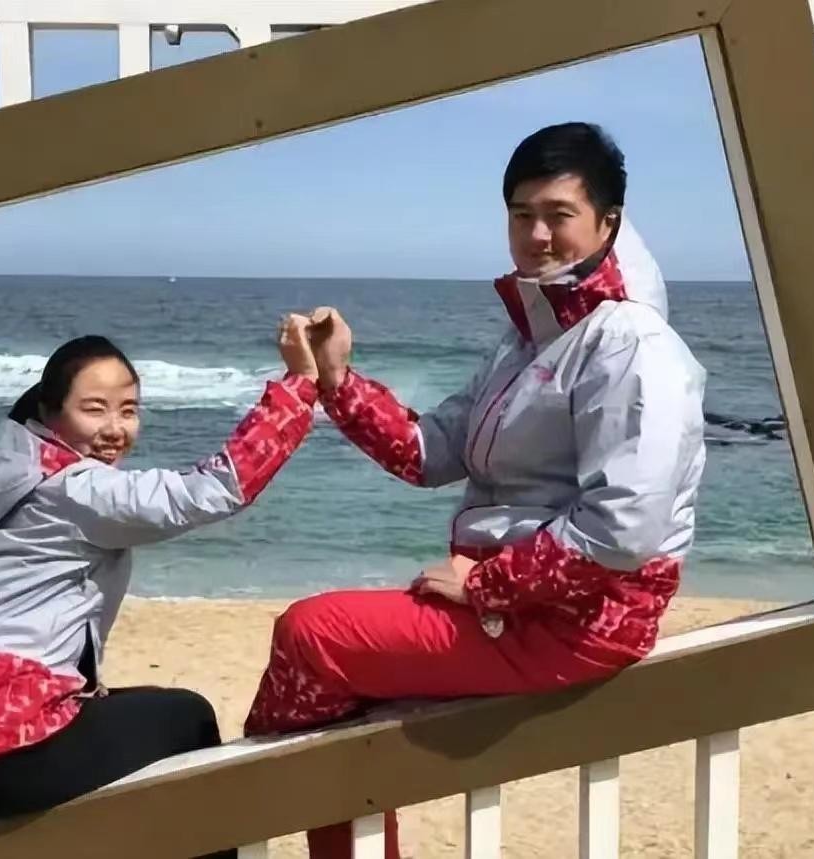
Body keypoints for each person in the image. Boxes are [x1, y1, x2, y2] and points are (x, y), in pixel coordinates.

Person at [242, 123, 707, 859]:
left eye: (558, 214)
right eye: (522, 215)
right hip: (526, 605)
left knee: (314, 635)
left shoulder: (630, 343)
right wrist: (337, 379)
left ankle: (235, 817)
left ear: (609, 222)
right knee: (338, 685)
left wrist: (489, 585)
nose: (537, 235)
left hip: (578, 619)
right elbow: (431, 451)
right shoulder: (531, 339)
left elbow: (622, 529)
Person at [0, 321, 320, 853]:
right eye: (94, 409)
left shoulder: (14, 468)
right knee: (189, 719)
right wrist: (300, 383)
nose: (115, 428)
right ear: (49, 412)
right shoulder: (74, 489)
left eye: (128, 410)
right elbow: (211, 489)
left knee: (149, 713)